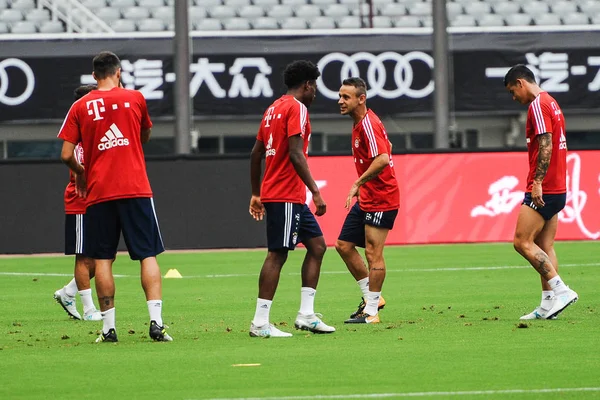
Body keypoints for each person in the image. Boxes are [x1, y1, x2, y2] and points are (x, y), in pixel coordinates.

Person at [58, 51, 171, 342]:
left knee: (104, 259)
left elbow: (66, 155)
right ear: (118, 72)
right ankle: (156, 322)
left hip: (99, 192)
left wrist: (81, 172)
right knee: (147, 255)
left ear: (94, 76)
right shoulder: (135, 98)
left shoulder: (81, 106)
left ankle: (108, 328)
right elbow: (145, 135)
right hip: (136, 188)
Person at [248, 60, 335, 337]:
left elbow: (255, 153)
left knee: (318, 246)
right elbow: (296, 153)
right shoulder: (297, 108)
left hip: (287, 195)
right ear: (307, 84)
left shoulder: (272, 108)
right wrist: (316, 191)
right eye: (315, 86)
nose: (316, 93)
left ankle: (306, 315)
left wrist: (255, 192)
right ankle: (260, 323)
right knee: (278, 254)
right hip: (285, 193)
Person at [504, 64, 578, 320]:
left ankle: (562, 291)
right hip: (558, 186)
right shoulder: (551, 102)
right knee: (544, 244)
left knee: (521, 242)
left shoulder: (537, 105)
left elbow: (545, 144)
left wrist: (537, 182)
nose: (514, 98)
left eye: (513, 91)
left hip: (544, 187)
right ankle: (548, 305)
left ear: (521, 83)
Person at [335, 77, 399, 324]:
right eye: (340, 96)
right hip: (369, 196)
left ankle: (371, 313)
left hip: (382, 198)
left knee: (374, 253)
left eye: (346, 97)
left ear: (361, 99)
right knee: (343, 245)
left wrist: (357, 183)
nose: (340, 101)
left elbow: (382, 158)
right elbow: (388, 146)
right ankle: (373, 298)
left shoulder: (367, 124)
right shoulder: (360, 123)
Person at [53, 85, 102, 322]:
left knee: (105, 256)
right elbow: (75, 168)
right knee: (84, 257)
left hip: (99, 200)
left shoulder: (95, 132)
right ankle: (89, 308)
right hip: (81, 201)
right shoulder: (78, 134)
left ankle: (68, 292)